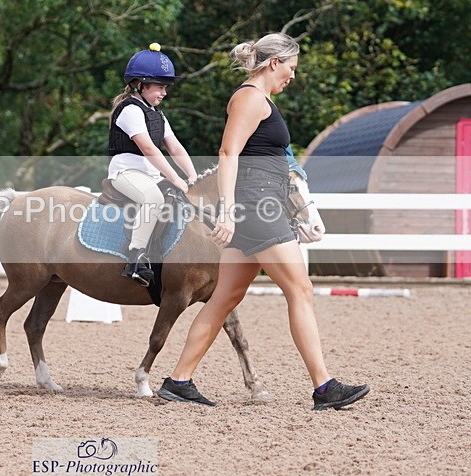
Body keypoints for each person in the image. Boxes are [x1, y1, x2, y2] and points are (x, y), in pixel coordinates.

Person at [156, 32, 369, 410]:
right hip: (256, 208)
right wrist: (227, 210)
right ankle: (324, 387)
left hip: (259, 205)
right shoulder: (250, 99)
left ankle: (179, 381)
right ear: (274, 63)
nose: (292, 75)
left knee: (223, 298)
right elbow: (227, 152)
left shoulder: (260, 100)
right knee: (300, 290)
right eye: (291, 67)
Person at [108, 42, 197, 287]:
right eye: (160, 87)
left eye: (165, 87)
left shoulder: (157, 114)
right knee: (153, 200)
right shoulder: (129, 110)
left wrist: (192, 176)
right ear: (140, 85)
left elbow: (175, 147)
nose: (164, 93)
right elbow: (149, 149)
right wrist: (176, 179)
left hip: (149, 174)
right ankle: (135, 259)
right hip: (126, 172)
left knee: (176, 202)